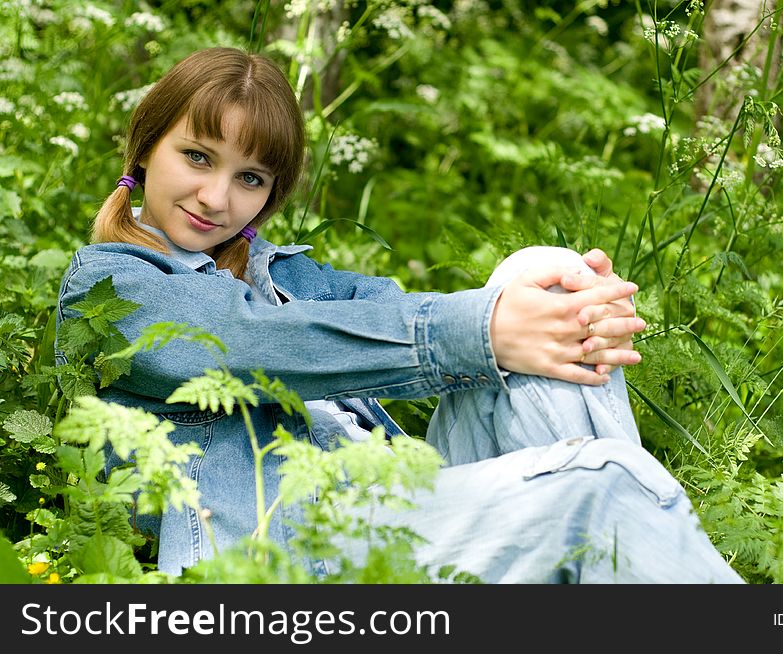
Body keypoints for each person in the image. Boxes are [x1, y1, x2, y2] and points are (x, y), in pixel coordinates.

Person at [55, 47, 743, 583]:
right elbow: (243, 341)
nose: (215, 196)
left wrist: (540, 302)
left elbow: (408, 313)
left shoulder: (287, 276)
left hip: (393, 504)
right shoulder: (110, 284)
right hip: (302, 552)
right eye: (197, 157)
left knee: (536, 271)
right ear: (145, 147)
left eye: (250, 178)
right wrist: (485, 331)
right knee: (606, 484)